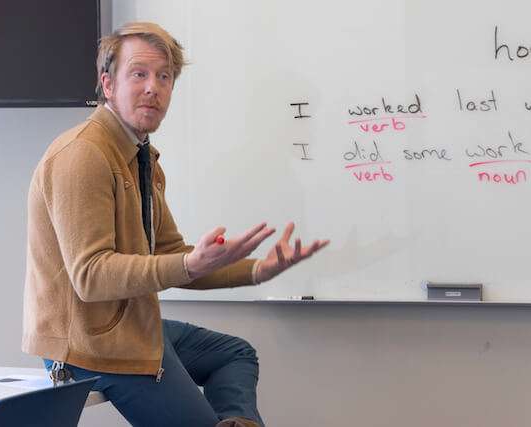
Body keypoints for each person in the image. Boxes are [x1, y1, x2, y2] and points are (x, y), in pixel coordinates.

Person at [22, 22, 329, 427]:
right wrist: (189, 264)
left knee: (235, 354)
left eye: (164, 77)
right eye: (139, 74)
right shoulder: (84, 156)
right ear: (107, 84)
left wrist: (256, 271)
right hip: (87, 342)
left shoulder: (142, 155)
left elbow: (172, 257)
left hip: (132, 323)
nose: (154, 87)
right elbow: (91, 276)